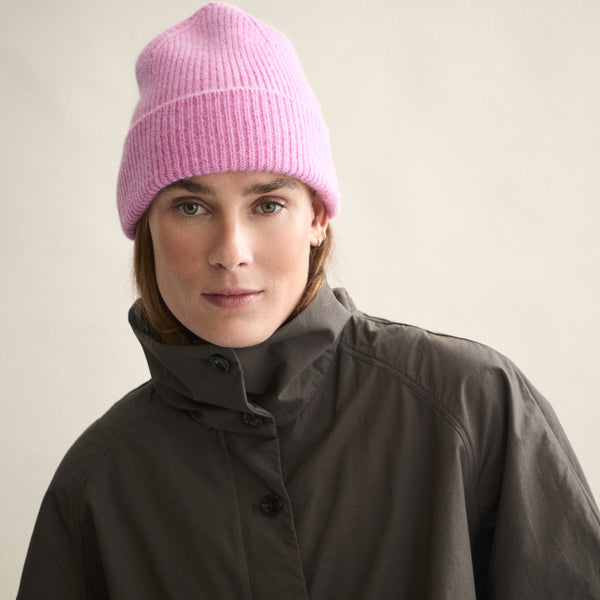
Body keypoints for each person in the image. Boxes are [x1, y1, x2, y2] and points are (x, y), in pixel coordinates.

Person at [17, 3, 600, 599]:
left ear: (318, 216)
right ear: (147, 227)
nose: (231, 251)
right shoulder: (96, 484)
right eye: (191, 207)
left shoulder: (471, 405)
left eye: (268, 205)